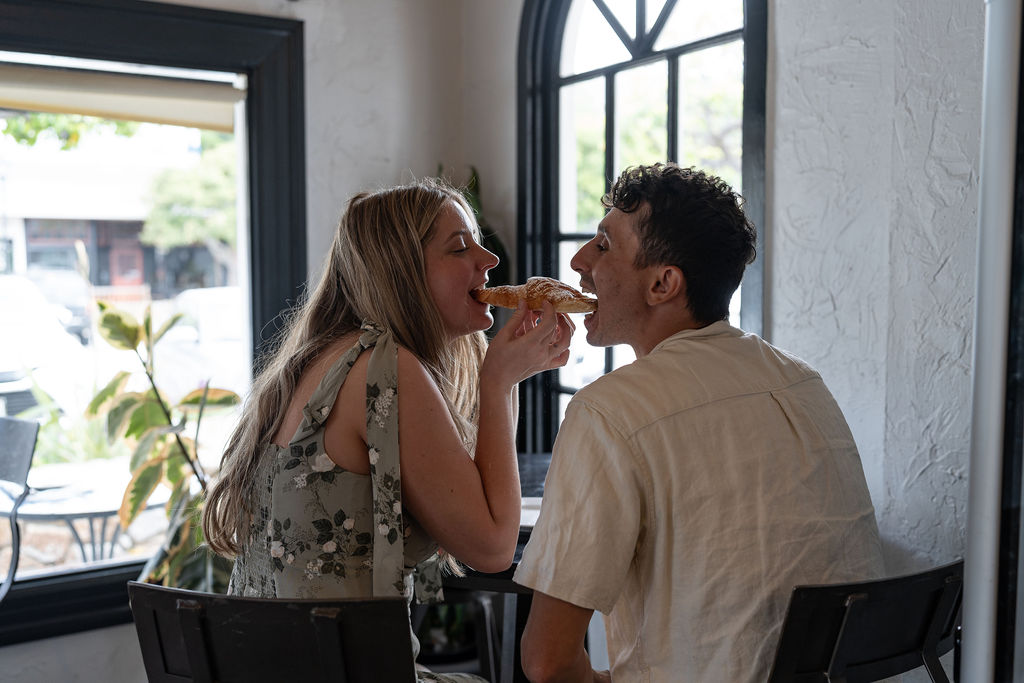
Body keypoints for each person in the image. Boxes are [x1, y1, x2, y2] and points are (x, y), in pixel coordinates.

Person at [514, 163, 885, 683]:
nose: (578, 261)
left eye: (602, 245)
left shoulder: (608, 412)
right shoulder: (804, 383)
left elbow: (548, 663)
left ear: (663, 283)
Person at [203, 178, 574, 681]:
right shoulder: (385, 369)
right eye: (460, 247)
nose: (489, 261)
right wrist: (499, 381)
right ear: (402, 271)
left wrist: (504, 379)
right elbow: (492, 548)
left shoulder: (316, 360)